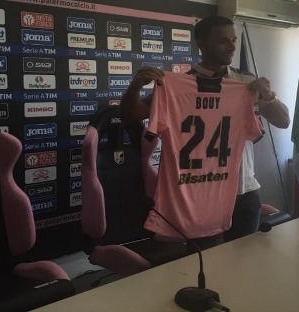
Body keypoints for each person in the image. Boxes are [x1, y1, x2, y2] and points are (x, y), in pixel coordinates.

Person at [120, 15, 290, 243]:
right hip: (199, 193)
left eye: (233, 40)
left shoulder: (245, 83)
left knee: (244, 260)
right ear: (201, 43)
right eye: (222, 41)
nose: (231, 46)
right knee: (204, 260)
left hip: (243, 189)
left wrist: (268, 95)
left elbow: (283, 121)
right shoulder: (179, 86)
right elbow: (129, 116)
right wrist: (135, 87)